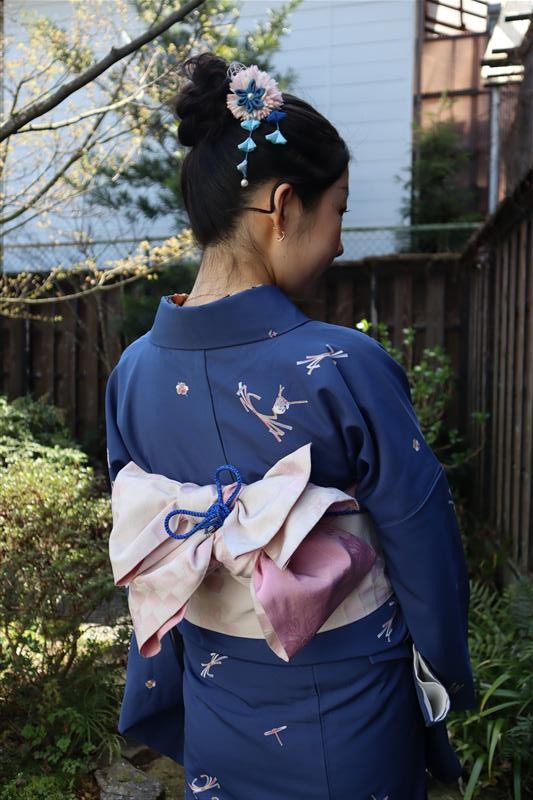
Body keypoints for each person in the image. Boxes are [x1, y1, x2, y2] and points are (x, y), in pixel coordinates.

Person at [105, 53, 475, 800]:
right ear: (282, 206)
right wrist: (445, 676)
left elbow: (152, 547)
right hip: (348, 707)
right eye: (338, 208)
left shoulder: (132, 373)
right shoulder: (346, 364)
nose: (338, 239)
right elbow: (423, 542)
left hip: (214, 698)